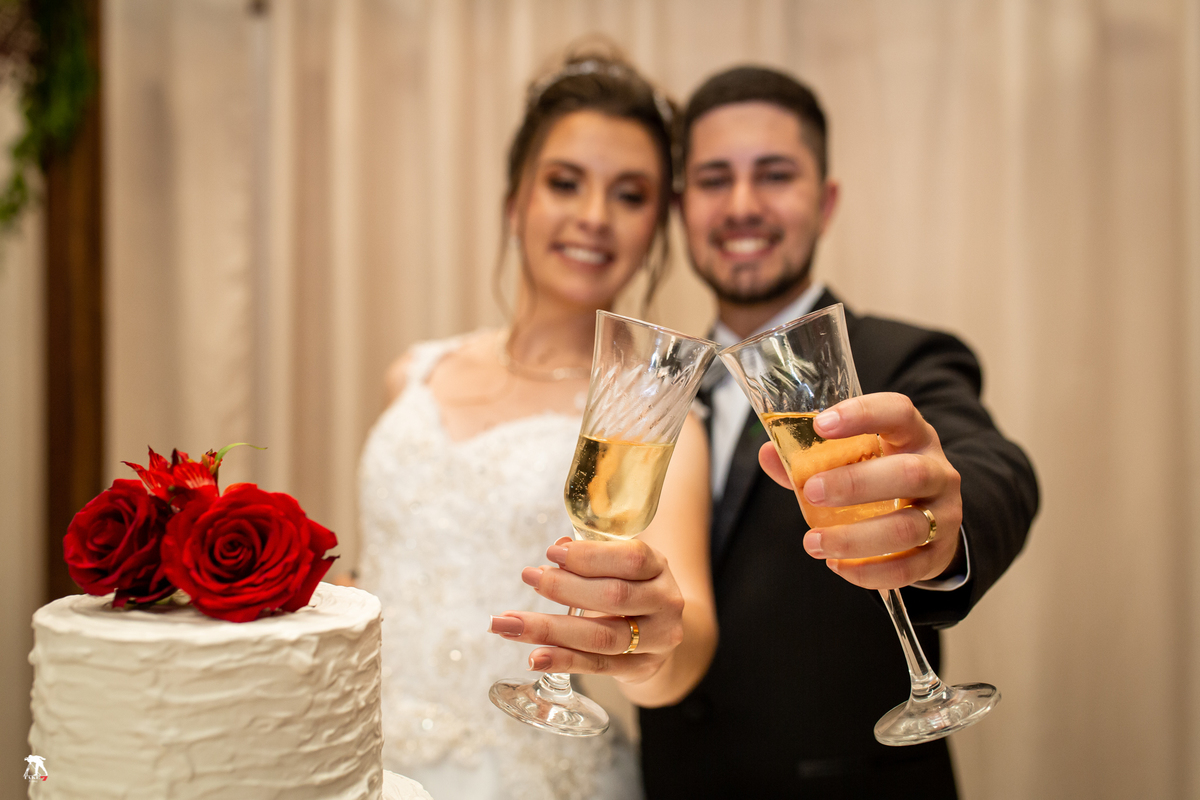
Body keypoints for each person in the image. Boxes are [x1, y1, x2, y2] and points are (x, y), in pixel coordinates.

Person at [634, 66, 1040, 798]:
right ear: (680, 205)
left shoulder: (901, 357)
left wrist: (944, 526)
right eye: (715, 179)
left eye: (775, 175)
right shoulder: (659, 392)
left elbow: (994, 469)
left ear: (825, 202)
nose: (744, 205)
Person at [357, 51, 717, 800]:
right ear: (514, 200)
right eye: (564, 183)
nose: (593, 216)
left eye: (630, 194)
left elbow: (686, 645)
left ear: (655, 227)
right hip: (366, 763)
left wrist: (649, 649)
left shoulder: (650, 420)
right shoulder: (413, 373)